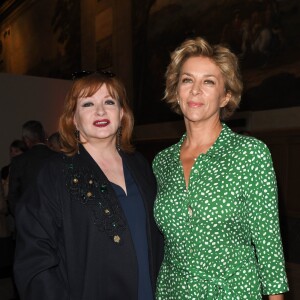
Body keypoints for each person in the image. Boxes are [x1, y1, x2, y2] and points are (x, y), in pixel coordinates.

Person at [152, 37, 288, 299]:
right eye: (187, 80)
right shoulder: (163, 162)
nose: (195, 90)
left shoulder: (250, 154)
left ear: (225, 96)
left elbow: (269, 246)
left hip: (233, 292)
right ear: (176, 90)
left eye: (209, 82)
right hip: (172, 292)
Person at [13, 71, 163, 300]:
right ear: (73, 118)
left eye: (109, 102)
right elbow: (34, 261)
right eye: (88, 103)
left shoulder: (140, 165)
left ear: (122, 113)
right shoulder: (53, 173)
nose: (100, 111)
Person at [8, 120, 54, 216]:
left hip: (27, 219)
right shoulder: (59, 158)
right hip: (54, 221)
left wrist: (20, 218)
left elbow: (13, 195)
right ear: (43, 135)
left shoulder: (19, 161)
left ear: (26, 140)